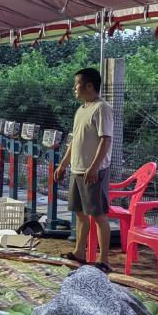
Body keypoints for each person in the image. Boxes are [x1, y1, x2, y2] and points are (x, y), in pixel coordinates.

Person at [54, 66, 114, 271]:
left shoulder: (102, 108)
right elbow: (74, 141)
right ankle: (80, 253)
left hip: (93, 171)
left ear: (89, 85)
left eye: (77, 84)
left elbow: (105, 140)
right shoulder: (81, 110)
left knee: (98, 216)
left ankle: (104, 260)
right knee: (79, 213)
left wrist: (95, 167)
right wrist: (64, 164)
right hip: (77, 169)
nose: (74, 88)